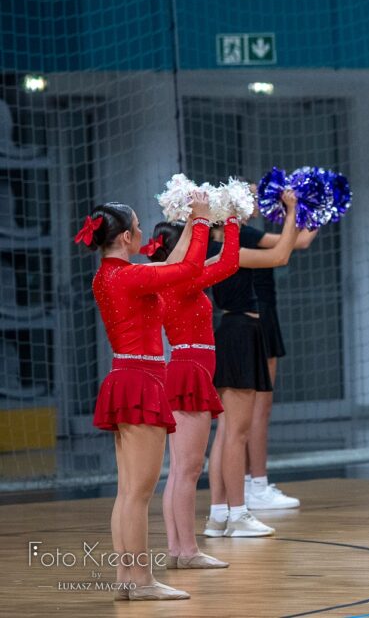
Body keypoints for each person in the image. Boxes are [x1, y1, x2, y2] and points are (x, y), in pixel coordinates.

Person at [79, 191, 210, 600]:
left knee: (128, 491)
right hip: (139, 381)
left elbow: (170, 267)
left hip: (127, 377)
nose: (141, 231)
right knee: (138, 493)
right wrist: (205, 221)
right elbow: (188, 268)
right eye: (136, 226)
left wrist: (189, 225)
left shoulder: (111, 274)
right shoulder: (129, 277)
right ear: (124, 239)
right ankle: (138, 580)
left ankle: (128, 577)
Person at [203, 190, 299, 539]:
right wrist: (291, 212)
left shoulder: (216, 250)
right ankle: (239, 514)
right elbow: (281, 254)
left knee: (226, 432)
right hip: (241, 333)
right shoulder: (228, 253)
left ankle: (218, 515)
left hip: (233, 331)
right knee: (236, 433)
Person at [152, 213, 241, 570]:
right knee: (187, 470)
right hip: (189, 372)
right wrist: (219, 219)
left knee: (179, 471)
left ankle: (177, 549)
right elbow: (228, 261)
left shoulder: (174, 280)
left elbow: (225, 260)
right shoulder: (180, 283)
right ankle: (186, 551)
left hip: (185, 369)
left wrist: (228, 220)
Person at [244, 195, 320, 511]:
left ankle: (250, 483)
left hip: (258, 318)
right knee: (257, 410)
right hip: (256, 319)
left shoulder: (239, 233)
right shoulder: (244, 234)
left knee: (249, 413)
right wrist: (320, 209)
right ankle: (256, 484)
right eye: (250, 194)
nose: (258, 198)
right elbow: (297, 243)